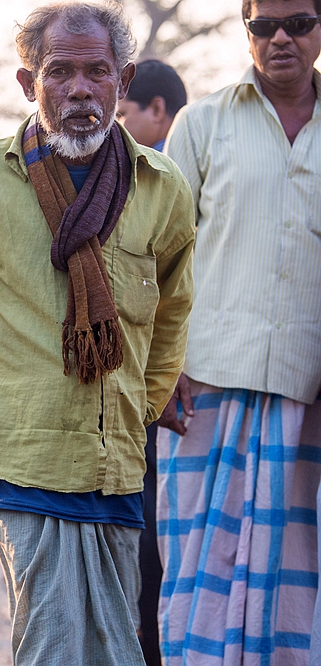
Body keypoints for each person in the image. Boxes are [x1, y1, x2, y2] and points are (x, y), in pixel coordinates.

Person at [0, 2, 196, 664]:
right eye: (60, 72)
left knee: (117, 646)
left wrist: (142, 409)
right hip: (21, 462)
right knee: (54, 645)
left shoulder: (163, 187)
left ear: (122, 81)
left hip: (117, 463)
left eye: (97, 72)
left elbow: (175, 308)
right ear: (26, 82)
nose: (81, 90)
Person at [158, 1, 321, 664]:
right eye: (264, 25)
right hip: (204, 384)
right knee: (200, 570)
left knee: (297, 575)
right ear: (246, 30)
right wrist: (161, 366)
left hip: (308, 391)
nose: (281, 38)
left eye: (299, 23)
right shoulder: (201, 124)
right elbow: (157, 254)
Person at [115, 57, 188, 666]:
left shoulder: (166, 179)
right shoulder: (127, 176)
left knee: (157, 534)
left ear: (157, 111)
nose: (114, 125)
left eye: (122, 112)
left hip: (171, 382)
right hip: (151, 381)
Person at [116, 59, 188, 152]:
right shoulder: (200, 153)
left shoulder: (159, 163)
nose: (115, 126)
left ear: (157, 110)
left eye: (121, 115)